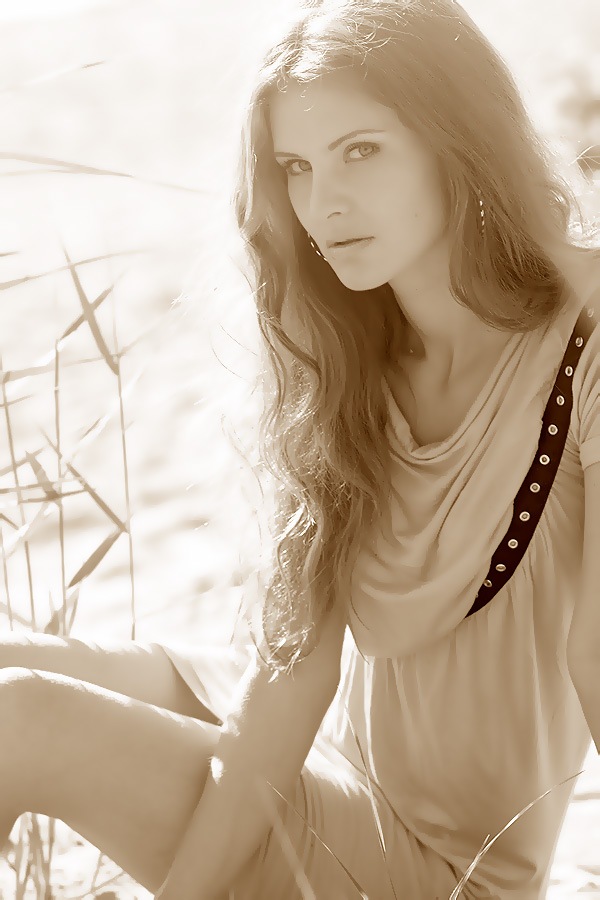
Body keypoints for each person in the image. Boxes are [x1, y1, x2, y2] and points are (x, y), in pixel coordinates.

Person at [1, 0, 600, 897]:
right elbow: (290, 682)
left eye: (362, 150)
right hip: (322, 743)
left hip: (435, 866)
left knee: (19, 719)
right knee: (11, 665)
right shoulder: (350, 363)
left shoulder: (583, 351)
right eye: (297, 166)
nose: (324, 204)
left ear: (457, 140)